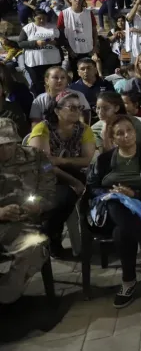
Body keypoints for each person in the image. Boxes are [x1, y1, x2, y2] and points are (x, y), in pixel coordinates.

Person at [86, 115, 141, 307]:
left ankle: (128, 282)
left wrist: (134, 194)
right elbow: (92, 187)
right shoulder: (105, 159)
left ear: (135, 132)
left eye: (129, 131)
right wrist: (112, 192)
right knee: (115, 203)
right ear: (113, 138)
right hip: (108, 212)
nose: (126, 136)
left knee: (122, 231)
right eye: (120, 133)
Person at [28, 91, 96, 254]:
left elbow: (86, 160)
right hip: (42, 175)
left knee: (65, 198)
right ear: (57, 110)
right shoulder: (43, 128)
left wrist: (59, 161)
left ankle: (47, 236)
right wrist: (73, 182)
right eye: (71, 108)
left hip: (74, 173)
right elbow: (43, 164)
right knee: (60, 197)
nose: (77, 111)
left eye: (79, 108)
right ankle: (49, 238)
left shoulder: (84, 129)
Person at [0, 118, 55, 304]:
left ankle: (6, 293)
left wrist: (38, 205)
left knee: (33, 247)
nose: (3, 149)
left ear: (15, 140)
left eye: (7, 144)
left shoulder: (37, 157)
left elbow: (50, 191)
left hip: (24, 224)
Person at [18, 9, 62, 97]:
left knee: (53, 83)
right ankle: (40, 101)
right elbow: (20, 43)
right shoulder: (28, 28)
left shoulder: (53, 27)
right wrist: (35, 43)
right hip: (35, 63)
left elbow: (62, 40)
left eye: (44, 18)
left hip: (52, 61)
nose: (42, 20)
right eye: (39, 18)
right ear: (34, 18)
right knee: (38, 85)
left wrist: (55, 42)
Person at [57, 0, 98, 68]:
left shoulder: (89, 13)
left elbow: (94, 31)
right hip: (73, 51)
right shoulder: (64, 14)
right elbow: (60, 33)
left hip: (88, 50)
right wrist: (69, 49)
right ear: (70, 0)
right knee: (76, 75)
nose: (78, 0)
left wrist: (95, 47)